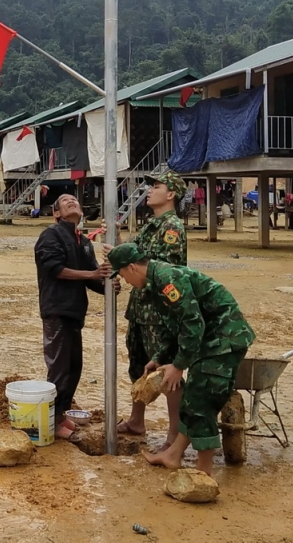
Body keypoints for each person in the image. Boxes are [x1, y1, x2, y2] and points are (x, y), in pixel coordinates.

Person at [106, 243, 255, 474]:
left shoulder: (167, 281)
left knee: (201, 400)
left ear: (132, 267)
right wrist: (159, 357)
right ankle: (173, 456)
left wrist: (178, 365)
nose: (124, 281)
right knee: (191, 401)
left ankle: (203, 473)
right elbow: (172, 326)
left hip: (224, 339)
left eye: (123, 274)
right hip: (209, 339)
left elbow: (192, 323)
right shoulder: (156, 282)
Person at [116, 170, 188, 447]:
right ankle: (137, 420)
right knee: (138, 364)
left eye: (156, 186)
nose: (150, 190)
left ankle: (174, 433)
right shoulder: (152, 225)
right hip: (140, 308)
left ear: (170, 194)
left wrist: (126, 255)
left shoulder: (172, 228)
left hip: (159, 310)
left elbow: (157, 268)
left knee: (167, 372)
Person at [34, 193, 113, 440]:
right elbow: (55, 269)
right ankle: (50, 420)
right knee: (58, 368)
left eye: (75, 200)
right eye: (65, 200)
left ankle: (59, 415)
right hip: (56, 309)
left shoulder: (84, 242)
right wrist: (92, 276)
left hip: (75, 312)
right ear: (55, 213)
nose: (72, 201)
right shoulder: (51, 235)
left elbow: (93, 275)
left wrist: (108, 284)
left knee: (73, 367)